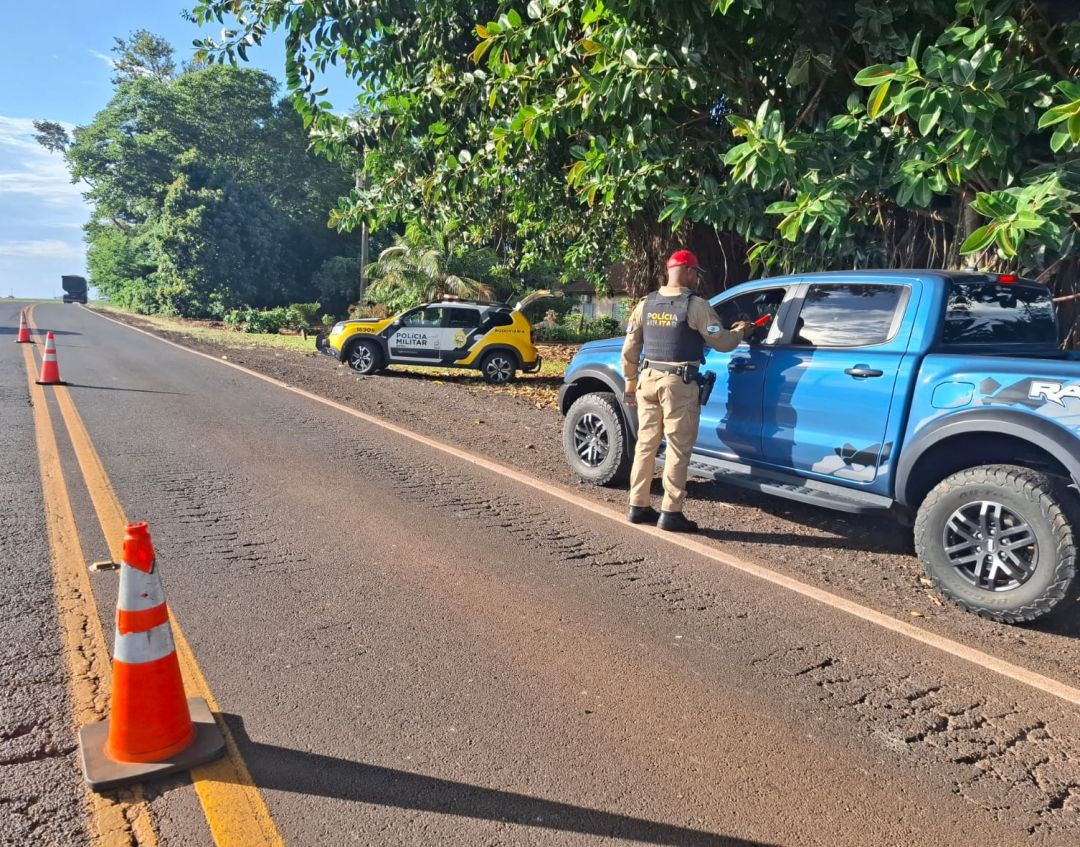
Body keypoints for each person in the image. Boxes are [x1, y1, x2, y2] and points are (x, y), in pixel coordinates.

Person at [621, 250, 751, 533]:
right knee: (678, 449)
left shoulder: (646, 304)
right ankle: (671, 511)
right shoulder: (695, 306)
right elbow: (724, 343)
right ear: (689, 272)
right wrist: (742, 331)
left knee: (646, 445)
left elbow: (629, 347)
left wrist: (630, 383)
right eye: (696, 274)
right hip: (678, 385)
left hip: (648, 381)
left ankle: (638, 505)